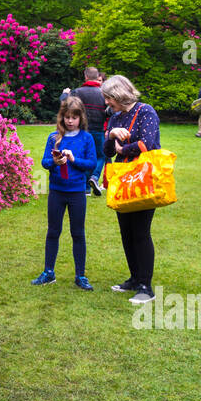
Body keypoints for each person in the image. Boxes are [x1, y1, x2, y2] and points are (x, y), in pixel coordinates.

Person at [103, 74, 162, 304]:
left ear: (119, 94)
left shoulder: (146, 112)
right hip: (123, 180)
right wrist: (111, 136)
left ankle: (146, 287)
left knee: (140, 231)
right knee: (126, 231)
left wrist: (122, 148)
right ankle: (135, 278)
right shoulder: (116, 117)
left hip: (143, 178)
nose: (107, 102)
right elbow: (107, 151)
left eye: (109, 98)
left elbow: (147, 144)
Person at [31, 95, 97, 290]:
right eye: (66, 117)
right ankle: (48, 272)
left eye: (74, 117)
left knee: (78, 233)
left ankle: (80, 275)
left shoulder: (86, 138)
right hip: (57, 192)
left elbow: (92, 164)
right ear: (61, 117)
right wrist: (55, 162)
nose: (70, 121)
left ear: (81, 118)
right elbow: (44, 161)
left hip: (77, 192)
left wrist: (74, 160)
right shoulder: (54, 137)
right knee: (53, 231)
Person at [74, 67, 108, 196]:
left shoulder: (78, 92)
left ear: (86, 76)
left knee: (83, 156)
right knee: (101, 156)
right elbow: (109, 112)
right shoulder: (103, 93)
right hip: (99, 130)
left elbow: (68, 106)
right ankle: (94, 177)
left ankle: (85, 188)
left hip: (82, 130)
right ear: (96, 76)